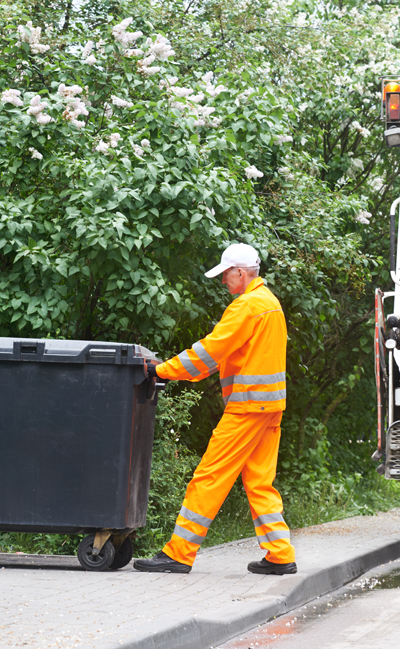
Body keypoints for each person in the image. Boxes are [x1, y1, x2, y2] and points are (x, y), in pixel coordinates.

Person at [134, 243, 297, 575]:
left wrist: (161, 370)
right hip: (270, 407)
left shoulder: (246, 306)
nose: (223, 281)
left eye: (225, 275)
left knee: (209, 476)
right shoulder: (271, 303)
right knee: (259, 481)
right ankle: (279, 554)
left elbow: (210, 351)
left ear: (239, 272)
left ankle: (179, 552)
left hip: (248, 407)